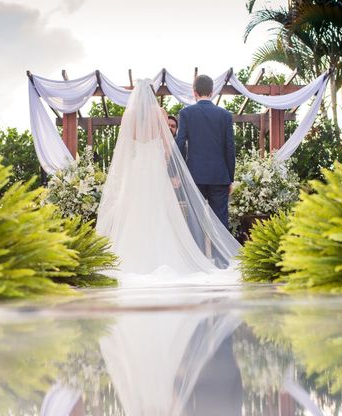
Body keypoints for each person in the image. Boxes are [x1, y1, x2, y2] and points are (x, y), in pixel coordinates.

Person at [95, 79, 240, 282]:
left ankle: (134, 255)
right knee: (168, 212)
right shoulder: (161, 113)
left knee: (135, 212)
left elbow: (128, 147)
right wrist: (170, 165)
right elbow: (171, 143)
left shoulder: (130, 115)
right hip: (167, 170)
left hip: (140, 169)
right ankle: (218, 260)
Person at [175, 74, 236, 229]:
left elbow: (180, 144)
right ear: (212, 91)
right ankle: (221, 254)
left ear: (194, 91)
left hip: (194, 176)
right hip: (219, 176)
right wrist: (230, 178)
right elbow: (230, 148)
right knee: (220, 221)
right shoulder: (225, 115)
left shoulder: (186, 114)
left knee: (195, 220)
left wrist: (179, 172)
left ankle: (197, 253)